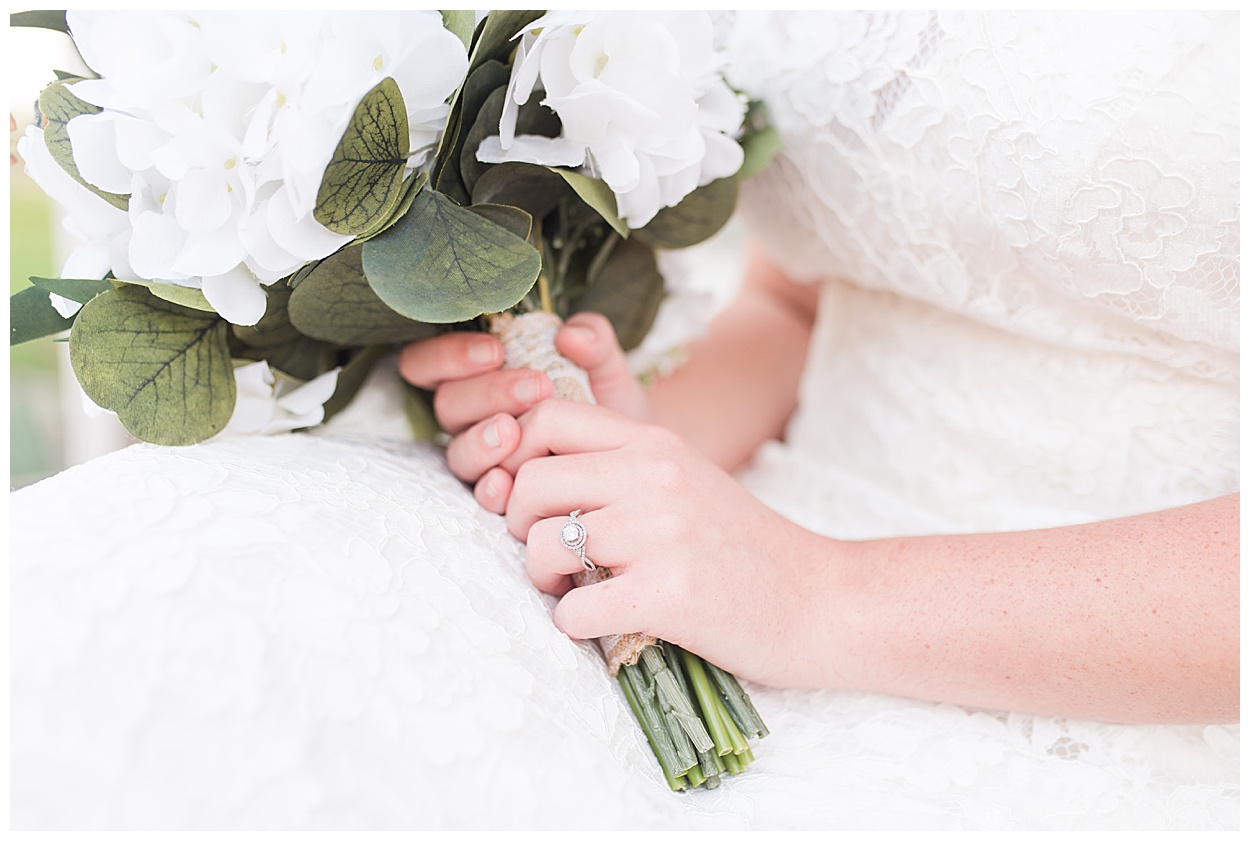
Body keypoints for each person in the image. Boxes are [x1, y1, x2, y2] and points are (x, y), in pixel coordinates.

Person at [9, 10, 1238, 830]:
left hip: (1127, 651)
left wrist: (811, 593)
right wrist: (617, 443)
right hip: (766, 513)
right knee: (129, 611)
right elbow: (805, 295)